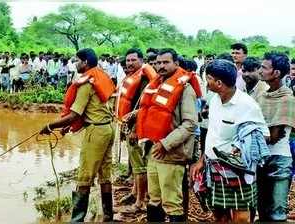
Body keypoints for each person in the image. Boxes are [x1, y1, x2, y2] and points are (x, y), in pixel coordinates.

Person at [39, 48, 115, 222]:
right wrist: (68, 128)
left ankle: (76, 220)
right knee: (105, 173)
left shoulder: (87, 83)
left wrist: (49, 125)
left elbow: (75, 114)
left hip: (96, 132)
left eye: (77, 61)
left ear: (85, 62)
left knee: (84, 176)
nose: (75, 64)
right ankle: (108, 216)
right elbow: (93, 109)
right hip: (108, 128)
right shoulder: (101, 76)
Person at [191, 59, 269, 222]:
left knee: (241, 216)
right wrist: (202, 159)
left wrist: (241, 147)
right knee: (219, 214)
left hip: (238, 169)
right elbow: (213, 135)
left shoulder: (247, 105)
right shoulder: (215, 100)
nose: (206, 82)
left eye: (209, 78)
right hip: (214, 166)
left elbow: (264, 135)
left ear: (219, 83)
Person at [136, 48, 200, 222]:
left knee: (172, 203)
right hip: (152, 152)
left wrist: (166, 143)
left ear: (176, 64)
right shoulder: (156, 85)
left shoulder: (185, 89)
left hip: (171, 154)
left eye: (166, 62)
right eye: (158, 63)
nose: (161, 66)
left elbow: (190, 124)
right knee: (154, 199)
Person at [115, 48, 158, 214]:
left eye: (133, 60)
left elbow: (145, 108)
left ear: (141, 61)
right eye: (128, 61)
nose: (130, 63)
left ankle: (140, 202)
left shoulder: (144, 81)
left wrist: (134, 130)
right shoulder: (131, 77)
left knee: (139, 167)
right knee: (134, 163)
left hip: (138, 129)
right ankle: (134, 193)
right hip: (129, 126)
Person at [257, 52, 295, 222]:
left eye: (264, 67)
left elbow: (274, 136)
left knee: (277, 212)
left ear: (276, 73)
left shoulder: (287, 99)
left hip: (279, 159)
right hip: (261, 157)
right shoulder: (263, 95)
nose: (260, 71)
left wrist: (250, 138)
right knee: (262, 208)